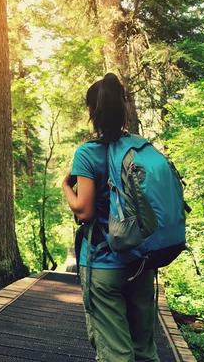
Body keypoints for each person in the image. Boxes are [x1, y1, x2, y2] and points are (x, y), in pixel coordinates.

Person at [62, 73, 159, 362]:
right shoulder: (140, 148)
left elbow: (84, 210)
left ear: (92, 112)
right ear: (123, 109)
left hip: (103, 263)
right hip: (141, 261)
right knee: (144, 350)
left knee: (116, 354)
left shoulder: (87, 153)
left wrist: (67, 186)